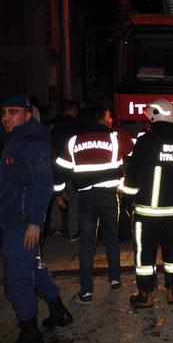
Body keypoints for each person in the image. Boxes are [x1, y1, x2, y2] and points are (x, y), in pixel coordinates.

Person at [0, 95, 73, 343]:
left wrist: (34, 223)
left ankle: (29, 332)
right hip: (15, 220)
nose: (6, 118)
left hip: (21, 224)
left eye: (13, 112)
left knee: (16, 280)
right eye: (4, 113)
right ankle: (58, 311)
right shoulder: (15, 140)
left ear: (28, 115)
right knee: (33, 267)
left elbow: (43, 185)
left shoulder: (32, 143)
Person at [53, 104, 133, 304]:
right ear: (100, 119)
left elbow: (60, 170)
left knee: (87, 245)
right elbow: (131, 150)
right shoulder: (114, 139)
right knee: (111, 240)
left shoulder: (73, 142)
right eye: (108, 116)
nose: (111, 119)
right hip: (108, 197)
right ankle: (115, 280)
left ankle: (86, 293)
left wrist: (59, 193)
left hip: (85, 199)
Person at [122, 98, 173, 309]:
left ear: (155, 115)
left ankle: (145, 295)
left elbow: (133, 177)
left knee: (144, 254)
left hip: (147, 213)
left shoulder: (147, 140)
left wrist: (126, 203)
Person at [47, 100, 80, 240]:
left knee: (55, 195)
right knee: (74, 199)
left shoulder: (49, 125)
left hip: (51, 166)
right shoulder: (75, 125)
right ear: (70, 110)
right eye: (75, 110)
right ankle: (73, 231)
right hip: (71, 166)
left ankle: (56, 227)